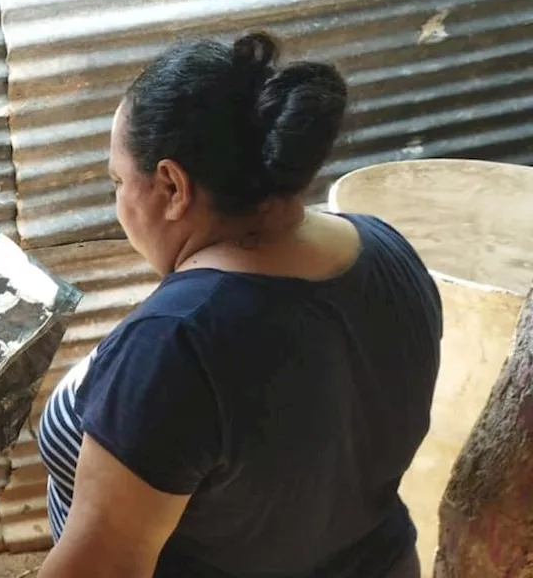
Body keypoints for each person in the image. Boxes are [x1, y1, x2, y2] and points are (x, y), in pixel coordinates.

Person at [36, 33, 441, 577]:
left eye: (117, 181)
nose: (118, 204)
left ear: (172, 186)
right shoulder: (387, 250)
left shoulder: (179, 344)